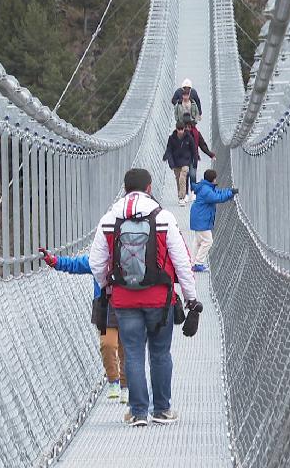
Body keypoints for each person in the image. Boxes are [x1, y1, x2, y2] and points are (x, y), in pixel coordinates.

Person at [88, 168, 200, 427]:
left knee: (134, 353)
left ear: (126, 188)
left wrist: (108, 286)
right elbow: (183, 262)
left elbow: (96, 263)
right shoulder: (164, 217)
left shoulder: (109, 219)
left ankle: (138, 412)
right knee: (160, 353)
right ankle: (162, 410)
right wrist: (192, 300)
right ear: (150, 188)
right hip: (160, 300)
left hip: (124, 299)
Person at [40, 249, 128, 403]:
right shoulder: (99, 259)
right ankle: (113, 381)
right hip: (103, 305)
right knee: (107, 344)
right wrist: (56, 261)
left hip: (127, 304)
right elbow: (78, 264)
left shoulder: (129, 256)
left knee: (126, 348)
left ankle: (126, 385)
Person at [189, 169, 237, 272]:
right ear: (213, 179)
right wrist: (230, 194)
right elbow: (217, 197)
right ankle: (198, 263)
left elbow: (217, 192)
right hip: (201, 219)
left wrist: (230, 191)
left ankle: (193, 262)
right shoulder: (206, 190)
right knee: (208, 241)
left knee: (198, 241)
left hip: (198, 217)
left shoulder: (205, 187)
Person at [163, 123, 197, 205]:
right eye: (179, 129)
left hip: (186, 161)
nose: (181, 131)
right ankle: (180, 196)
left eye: (182, 129)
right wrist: (171, 163)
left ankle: (182, 197)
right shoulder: (172, 138)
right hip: (176, 162)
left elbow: (193, 150)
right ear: (176, 129)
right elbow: (169, 150)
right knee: (178, 180)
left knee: (182, 177)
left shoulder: (188, 138)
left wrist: (194, 162)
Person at [183, 118, 215, 201]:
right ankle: (185, 194)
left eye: (189, 127)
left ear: (192, 126)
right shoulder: (180, 135)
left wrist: (210, 154)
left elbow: (202, 145)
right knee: (185, 176)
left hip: (193, 157)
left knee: (193, 175)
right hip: (183, 158)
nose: (187, 128)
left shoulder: (196, 134)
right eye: (186, 127)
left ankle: (193, 192)